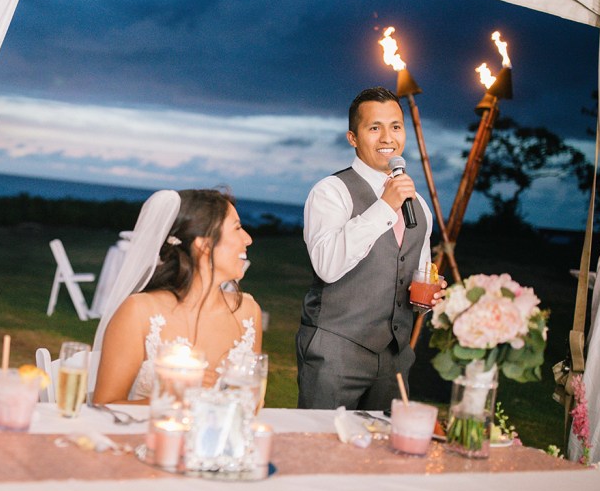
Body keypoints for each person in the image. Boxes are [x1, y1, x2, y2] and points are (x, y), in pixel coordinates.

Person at [297, 86, 443, 411]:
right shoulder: (331, 192)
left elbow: (416, 275)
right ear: (353, 137)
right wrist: (384, 206)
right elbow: (327, 266)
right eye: (374, 128)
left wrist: (428, 297)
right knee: (323, 441)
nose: (387, 138)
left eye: (395, 126)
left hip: (394, 360)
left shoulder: (419, 206)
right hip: (335, 354)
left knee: (385, 445)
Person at [92, 189, 263, 404]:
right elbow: (104, 406)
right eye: (237, 228)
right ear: (204, 244)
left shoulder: (248, 312)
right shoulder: (139, 312)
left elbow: (253, 402)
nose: (248, 239)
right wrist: (174, 398)